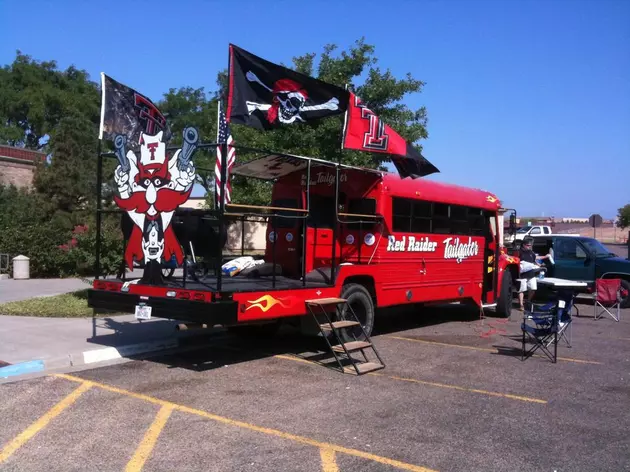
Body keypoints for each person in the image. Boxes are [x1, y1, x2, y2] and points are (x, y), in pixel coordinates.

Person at [518, 238, 552, 310]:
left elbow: (535, 258)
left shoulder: (531, 252)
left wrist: (544, 257)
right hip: (522, 274)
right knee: (521, 290)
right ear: (523, 245)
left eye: (530, 245)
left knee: (533, 288)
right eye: (528, 245)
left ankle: (528, 301)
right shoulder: (519, 252)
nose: (529, 246)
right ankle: (521, 305)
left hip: (531, 273)